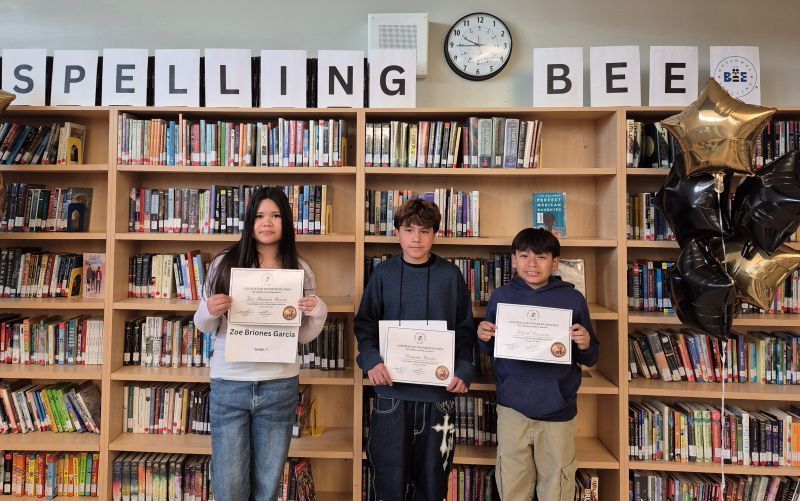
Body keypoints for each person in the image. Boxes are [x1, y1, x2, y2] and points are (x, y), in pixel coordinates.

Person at [194, 187, 328, 500]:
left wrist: (318, 311)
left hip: (279, 386)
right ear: (249, 221)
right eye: (259, 216)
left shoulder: (300, 269)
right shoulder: (224, 264)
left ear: (287, 221)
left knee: (267, 487)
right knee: (230, 487)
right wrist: (208, 310)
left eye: (276, 215)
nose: (267, 223)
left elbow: (303, 336)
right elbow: (207, 327)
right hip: (230, 385)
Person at [355, 198, 475, 501]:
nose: (416, 238)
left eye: (424, 230)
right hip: (392, 397)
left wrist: (463, 370)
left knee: (432, 484)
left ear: (435, 233)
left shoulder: (451, 276)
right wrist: (371, 361)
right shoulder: (383, 274)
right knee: (388, 483)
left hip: (438, 398)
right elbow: (365, 325)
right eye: (409, 230)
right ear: (397, 233)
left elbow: (464, 330)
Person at [477, 227, 599, 501]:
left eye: (541, 257)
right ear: (514, 260)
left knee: (555, 485)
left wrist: (585, 343)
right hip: (512, 407)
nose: (531, 264)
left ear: (555, 262)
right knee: (512, 482)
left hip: (557, 410)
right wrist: (484, 337)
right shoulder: (502, 297)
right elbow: (492, 349)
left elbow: (591, 357)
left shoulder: (572, 299)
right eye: (524, 256)